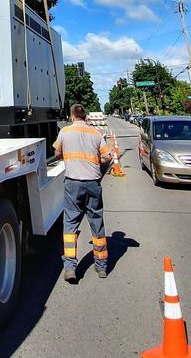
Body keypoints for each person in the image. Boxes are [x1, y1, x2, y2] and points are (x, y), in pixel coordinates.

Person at [53, 103, 112, 283]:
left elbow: (57, 153)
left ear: (72, 116)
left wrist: (68, 155)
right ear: (84, 116)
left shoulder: (65, 132)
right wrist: (96, 163)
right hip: (93, 183)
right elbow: (107, 157)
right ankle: (101, 267)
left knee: (70, 223)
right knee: (96, 222)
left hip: (73, 183)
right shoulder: (95, 133)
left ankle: (70, 267)